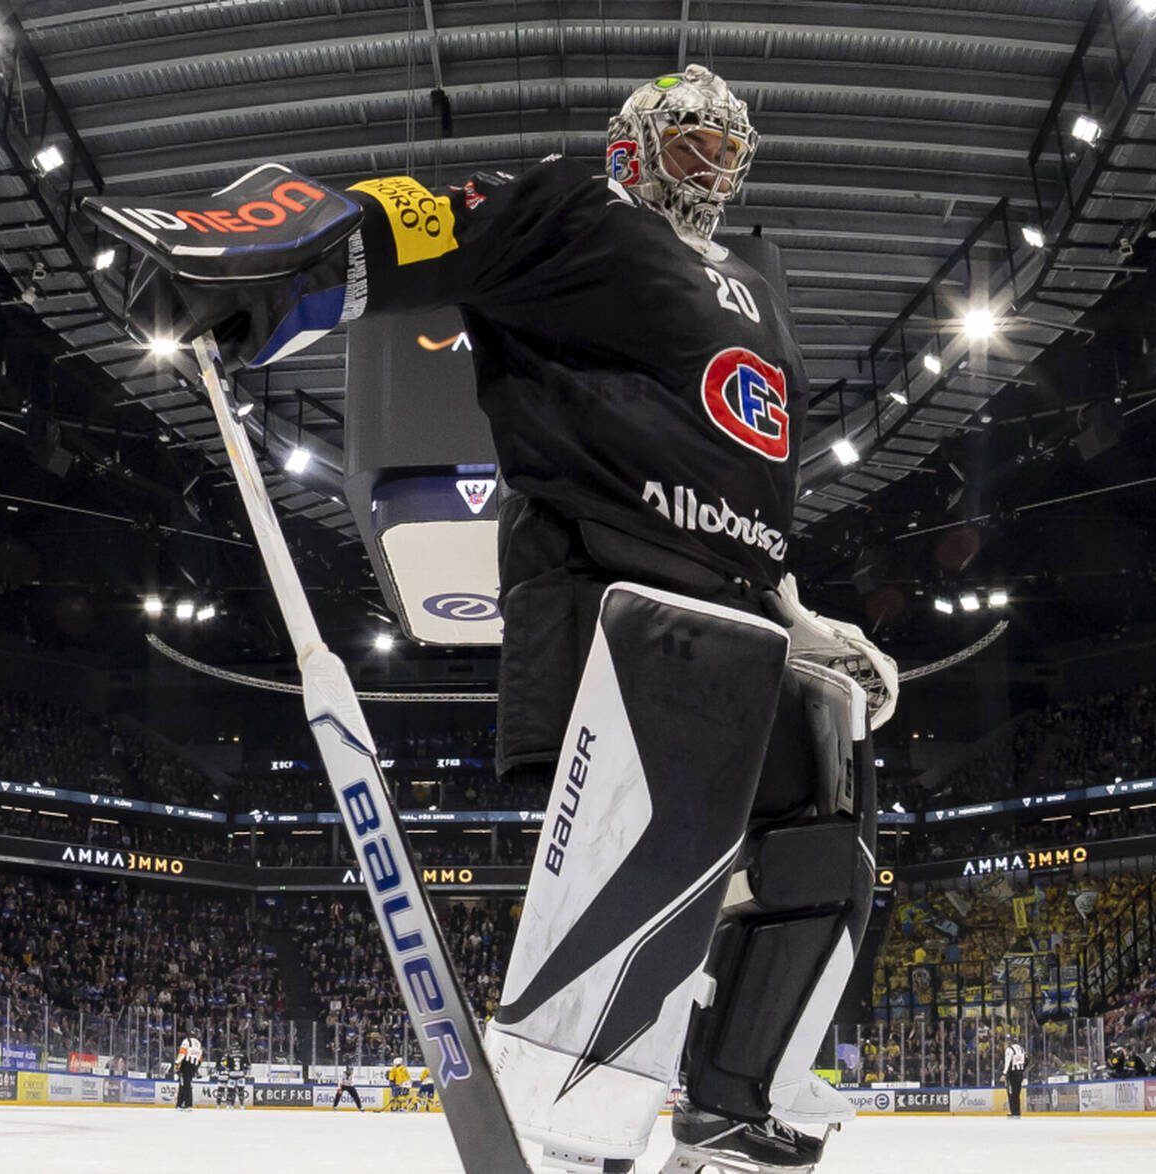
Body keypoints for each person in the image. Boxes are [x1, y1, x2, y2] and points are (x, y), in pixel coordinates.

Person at [118, 62, 893, 1174]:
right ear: (633, 145)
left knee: (828, 848)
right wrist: (246, 262)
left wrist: (796, 606)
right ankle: (576, 1132)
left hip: (743, 610)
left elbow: (752, 463)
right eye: (688, 145)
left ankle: (736, 1103)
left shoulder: (762, 288)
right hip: (617, 586)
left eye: (727, 152)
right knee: (646, 873)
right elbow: (414, 229)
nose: (711, 170)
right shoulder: (577, 210)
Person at [174, 1036, 202, 1111]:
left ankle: (182, 1104)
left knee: (183, 1085)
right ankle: (187, 1104)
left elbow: (182, 1053)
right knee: (188, 1084)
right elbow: (199, 1059)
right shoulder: (198, 1043)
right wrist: (196, 1069)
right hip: (193, 1066)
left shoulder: (186, 1041)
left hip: (185, 1065)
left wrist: (177, 1064)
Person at [1003, 1041, 1026, 1118]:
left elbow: (1008, 1062)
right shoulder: (1022, 1049)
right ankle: (1017, 1111)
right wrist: (1022, 1069)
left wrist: (1004, 1074)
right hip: (1019, 1074)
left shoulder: (1009, 1049)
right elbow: (1027, 1059)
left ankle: (1014, 1112)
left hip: (1011, 1074)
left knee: (1011, 1093)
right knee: (1017, 1093)